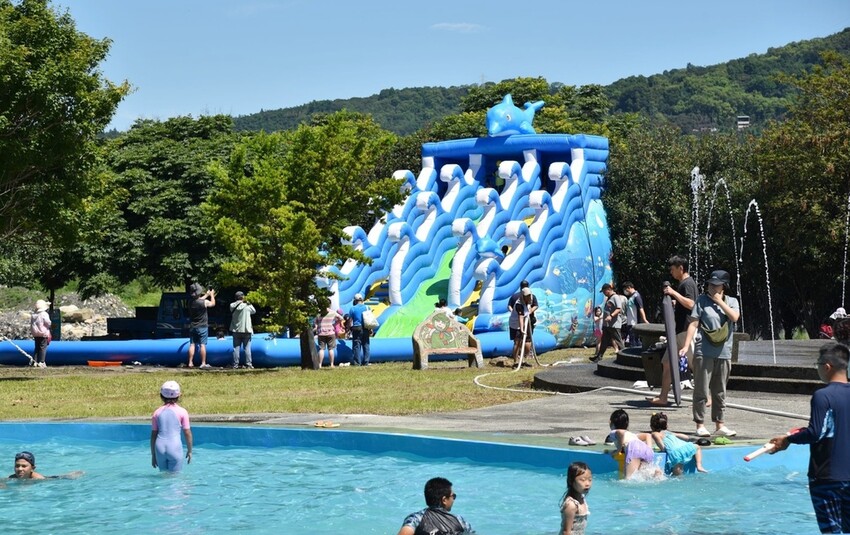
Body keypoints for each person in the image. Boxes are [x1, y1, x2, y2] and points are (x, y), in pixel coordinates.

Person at [769, 342, 850, 534]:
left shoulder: (822, 396)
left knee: (832, 531)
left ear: (827, 366)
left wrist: (788, 439)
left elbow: (816, 433)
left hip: (826, 477)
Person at [680, 270, 740, 437]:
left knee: (720, 390)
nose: (712, 287)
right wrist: (686, 346)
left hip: (724, 352)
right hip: (703, 351)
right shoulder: (701, 300)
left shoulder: (732, 301)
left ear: (724, 286)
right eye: (710, 284)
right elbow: (693, 324)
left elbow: (734, 317)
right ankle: (699, 424)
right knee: (701, 388)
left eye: (716, 285)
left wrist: (720, 302)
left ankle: (719, 424)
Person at [652, 255, 699, 405]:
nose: (671, 273)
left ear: (681, 268)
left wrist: (674, 294)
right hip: (678, 333)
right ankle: (663, 397)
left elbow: (692, 304)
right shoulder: (683, 284)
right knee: (667, 363)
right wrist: (676, 301)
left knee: (696, 366)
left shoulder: (687, 284)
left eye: (672, 269)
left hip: (687, 331)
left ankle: (708, 397)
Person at [397, 476, 475, 535]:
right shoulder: (459, 521)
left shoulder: (416, 518)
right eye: (453, 496)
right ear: (444, 500)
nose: (453, 499)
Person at [151, 380, 193, 473]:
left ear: (161, 396)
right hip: (174, 447)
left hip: (159, 448)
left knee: (163, 476)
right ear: (179, 395)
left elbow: (154, 435)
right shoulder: (182, 412)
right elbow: (187, 432)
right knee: (174, 479)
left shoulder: (156, 413)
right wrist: (190, 450)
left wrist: (153, 455)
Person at [609, 409, 658, 479]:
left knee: (628, 479)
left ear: (611, 423)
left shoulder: (613, 432)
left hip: (634, 447)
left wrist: (618, 450)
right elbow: (648, 435)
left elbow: (620, 433)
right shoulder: (631, 435)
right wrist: (649, 449)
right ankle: (654, 473)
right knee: (641, 474)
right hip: (646, 449)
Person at [590, 283, 625, 363]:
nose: (604, 293)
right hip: (607, 325)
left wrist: (611, 316)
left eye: (604, 291)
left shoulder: (615, 297)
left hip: (614, 325)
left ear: (609, 289)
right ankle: (599, 356)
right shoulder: (609, 298)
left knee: (618, 341)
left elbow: (618, 309)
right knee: (604, 341)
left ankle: (625, 356)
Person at [187, 285, 216, 368]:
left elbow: (199, 300)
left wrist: (206, 295)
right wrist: (212, 295)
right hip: (202, 326)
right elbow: (213, 304)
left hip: (193, 326)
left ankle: (190, 362)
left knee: (192, 344)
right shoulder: (204, 302)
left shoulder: (190, 302)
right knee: (202, 345)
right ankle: (203, 363)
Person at [559, 461, 592, 535]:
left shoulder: (581, 497)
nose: (587, 484)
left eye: (590, 480)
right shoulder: (571, 505)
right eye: (582, 480)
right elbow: (566, 532)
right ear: (571, 481)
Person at [9, 451, 83, 480]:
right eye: (17, 466)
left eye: (24, 466)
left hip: (52, 479)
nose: (19, 469)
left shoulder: (39, 479)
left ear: (32, 468)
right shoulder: (12, 477)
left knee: (63, 477)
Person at [230, 291, 256, 369]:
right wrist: (248, 302)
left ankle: (235, 364)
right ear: (243, 297)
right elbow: (254, 311)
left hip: (236, 330)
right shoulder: (247, 306)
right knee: (247, 348)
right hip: (246, 330)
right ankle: (248, 364)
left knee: (236, 348)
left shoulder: (232, 305)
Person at [622, 282, 648, 348]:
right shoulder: (631, 297)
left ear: (629, 287)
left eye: (625, 289)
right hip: (630, 323)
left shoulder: (636, 296)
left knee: (634, 342)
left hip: (634, 323)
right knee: (633, 341)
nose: (625, 291)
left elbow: (641, 308)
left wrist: (644, 319)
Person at [349, 293, 371, 366]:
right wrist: (370, 329)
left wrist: (349, 329)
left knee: (356, 345)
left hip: (356, 328)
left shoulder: (353, 308)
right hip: (366, 327)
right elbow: (370, 319)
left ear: (355, 300)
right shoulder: (367, 307)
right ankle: (366, 362)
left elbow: (350, 320)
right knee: (366, 345)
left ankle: (357, 362)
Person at [30, 299, 51, 368]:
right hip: (43, 333)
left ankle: (35, 361)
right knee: (43, 347)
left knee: (37, 347)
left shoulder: (33, 315)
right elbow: (48, 323)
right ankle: (41, 361)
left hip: (35, 333)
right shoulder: (44, 314)